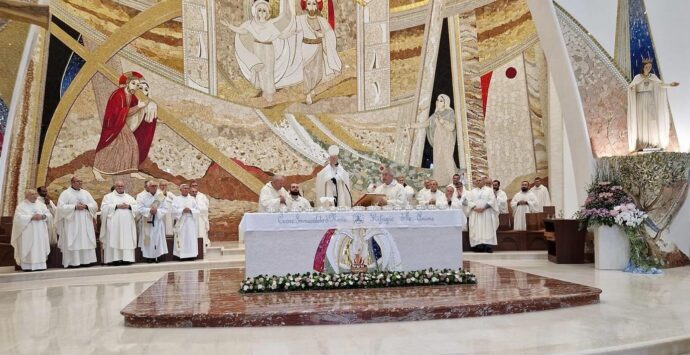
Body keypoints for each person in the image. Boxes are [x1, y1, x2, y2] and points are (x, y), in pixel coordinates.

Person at [224, 0, 301, 102]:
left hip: (269, 49)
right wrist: (230, 26)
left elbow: (281, 35)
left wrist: (291, 33)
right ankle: (264, 91)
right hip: (258, 48)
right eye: (259, 10)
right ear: (256, 12)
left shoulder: (270, 24)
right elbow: (242, 31)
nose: (262, 13)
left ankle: (269, 92)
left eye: (264, 11)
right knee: (261, 71)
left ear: (267, 13)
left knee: (269, 70)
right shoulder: (252, 24)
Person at [92, 71, 147, 181]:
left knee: (131, 144)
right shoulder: (118, 94)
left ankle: (132, 170)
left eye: (137, 85)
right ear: (127, 83)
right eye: (133, 84)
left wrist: (143, 107)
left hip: (121, 123)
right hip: (113, 124)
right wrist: (138, 107)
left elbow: (138, 107)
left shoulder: (131, 96)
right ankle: (96, 170)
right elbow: (120, 112)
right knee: (109, 145)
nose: (135, 87)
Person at [627, 58, 679, 151]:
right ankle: (642, 144)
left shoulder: (653, 77)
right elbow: (631, 87)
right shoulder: (638, 77)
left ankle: (653, 142)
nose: (648, 68)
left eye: (650, 67)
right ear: (643, 67)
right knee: (642, 120)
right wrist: (631, 88)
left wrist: (670, 85)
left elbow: (661, 85)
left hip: (650, 99)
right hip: (640, 99)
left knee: (652, 120)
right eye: (646, 67)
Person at [295, 0, 341, 104]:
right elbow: (295, 32)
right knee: (307, 71)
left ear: (317, 6)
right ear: (305, 6)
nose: (311, 7)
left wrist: (322, 35)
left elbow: (329, 32)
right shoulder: (300, 20)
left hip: (318, 47)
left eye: (314, 4)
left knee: (317, 72)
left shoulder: (321, 20)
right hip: (305, 48)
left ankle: (312, 87)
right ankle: (308, 93)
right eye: (309, 4)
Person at [409, 94, 458, 185]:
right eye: (437, 99)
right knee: (438, 159)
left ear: (445, 103)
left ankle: (454, 179)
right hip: (437, 139)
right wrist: (411, 126)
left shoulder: (450, 112)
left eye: (441, 100)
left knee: (447, 158)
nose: (438, 102)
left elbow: (451, 127)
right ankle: (440, 181)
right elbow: (425, 123)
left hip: (446, 140)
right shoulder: (435, 114)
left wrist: (443, 122)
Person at [56, 176, 98, 267]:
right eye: (77, 181)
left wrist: (86, 206)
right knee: (74, 240)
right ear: (72, 182)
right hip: (72, 222)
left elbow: (94, 205)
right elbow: (60, 208)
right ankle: (73, 262)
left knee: (85, 239)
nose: (79, 183)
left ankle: (86, 261)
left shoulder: (86, 193)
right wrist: (74, 207)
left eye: (80, 181)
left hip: (85, 221)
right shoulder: (66, 193)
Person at [11, 189, 52, 271]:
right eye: (32, 194)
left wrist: (43, 216)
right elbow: (17, 219)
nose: (35, 196)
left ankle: (41, 265)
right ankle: (27, 266)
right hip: (27, 233)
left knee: (39, 247)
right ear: (27, 196)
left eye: (35, 194)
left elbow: (49, 215)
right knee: (29, 247)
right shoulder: (21, 206)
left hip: (40, 232)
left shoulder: (41, 205)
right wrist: (31, 217)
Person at [100, 180, 138, 265]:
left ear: (124, 187)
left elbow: (137, 208)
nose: (120, 188)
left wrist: (129, 206)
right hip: (114, 225)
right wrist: (116, 206)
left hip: (127, 225)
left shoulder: (129, 197)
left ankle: (127, 259)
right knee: (114, 239)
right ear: (115, 187)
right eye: (118, 186)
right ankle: (115, 259)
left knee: (126, 240)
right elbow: (104, 208)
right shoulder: (108, 197)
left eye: (122, 186)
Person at [136, 181, 168, 262]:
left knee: (157, 239)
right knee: (148, 239)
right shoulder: (141, 196)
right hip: (147, 221)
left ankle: (157, 256)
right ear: (148, 187)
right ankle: (149, 257)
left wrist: (157, 211)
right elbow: (139, 208)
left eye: (155, 186)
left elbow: (165, 208)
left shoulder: (160, 196)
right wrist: (149, 210)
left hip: (157, 221)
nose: (154, 187)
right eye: (152, 186)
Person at [467, 176, 498, 253]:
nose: (478, 182)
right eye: (476, 180)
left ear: (484, 181)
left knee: (487, 229)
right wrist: (475, 208)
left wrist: (484, 208)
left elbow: (492, 200)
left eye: (480, 180)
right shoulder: (472, 191)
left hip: (486, 213)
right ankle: (478, 246)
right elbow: (468, 201)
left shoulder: (489, 190)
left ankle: (488, 246)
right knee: (476, 229)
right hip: (476, 213)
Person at [172, 184, 199, 260]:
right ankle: (181, 255)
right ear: (180, 190)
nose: (186, 189)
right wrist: (182, 210)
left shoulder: (192, 199)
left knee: (190, 238)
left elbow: (197, 210)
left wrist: (190, 210)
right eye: (184, 188)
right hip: (181, 222)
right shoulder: (176, 199)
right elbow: (173, 210)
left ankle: (191, 255)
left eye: (187, 188)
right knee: (182, 238)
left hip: (190, 221)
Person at [190, 181, 210, 248]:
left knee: (201, 233)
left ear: (198, 187)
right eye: (193, 185)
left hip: (201, 218)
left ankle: (203, 246)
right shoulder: (188, 196)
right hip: (191, 219)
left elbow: (205, 207)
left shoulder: (202, 196)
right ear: (190, 187)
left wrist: (198, 209)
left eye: (195, 185)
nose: (194, 187)